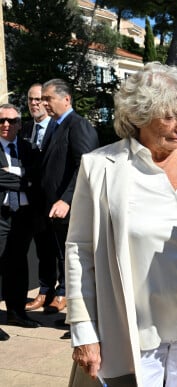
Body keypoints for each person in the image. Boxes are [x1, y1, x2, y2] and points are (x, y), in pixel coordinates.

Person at [65, 62, 177, 386]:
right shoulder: (101, 169)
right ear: (139, 115)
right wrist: (83, 329)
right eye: (170, 116)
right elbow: (80, 251)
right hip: (134, 334)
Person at [28, 79, 100, 317]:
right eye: (42, 99)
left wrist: (67, 199)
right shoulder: (56, 126)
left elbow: (85, 166)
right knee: (61, 257)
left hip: (70, 208)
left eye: (48, 98)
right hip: (51, 209)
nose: (44, 103)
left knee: (75, 262)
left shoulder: (78, 125)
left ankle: (81, 316)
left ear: (66, 99)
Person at [0, 104, 40, 331]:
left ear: (19, 123)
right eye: (1, 121)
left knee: (18, 265)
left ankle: (17, 313)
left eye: (11, 121)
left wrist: (11, 175)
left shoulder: (29, 149)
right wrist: (25, 179)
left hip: (23, 216)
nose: (6, 125)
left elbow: (37, 177)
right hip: (1, 215)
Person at [22, 83, 60, 315]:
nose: (34, 104)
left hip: (57, 202)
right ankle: (45, 291)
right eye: (30, 100)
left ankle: (63, 293)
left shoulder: (59, 128)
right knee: (43, 251)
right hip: (34, 203)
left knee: (62, 250)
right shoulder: (25, 129)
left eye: (38, 99)